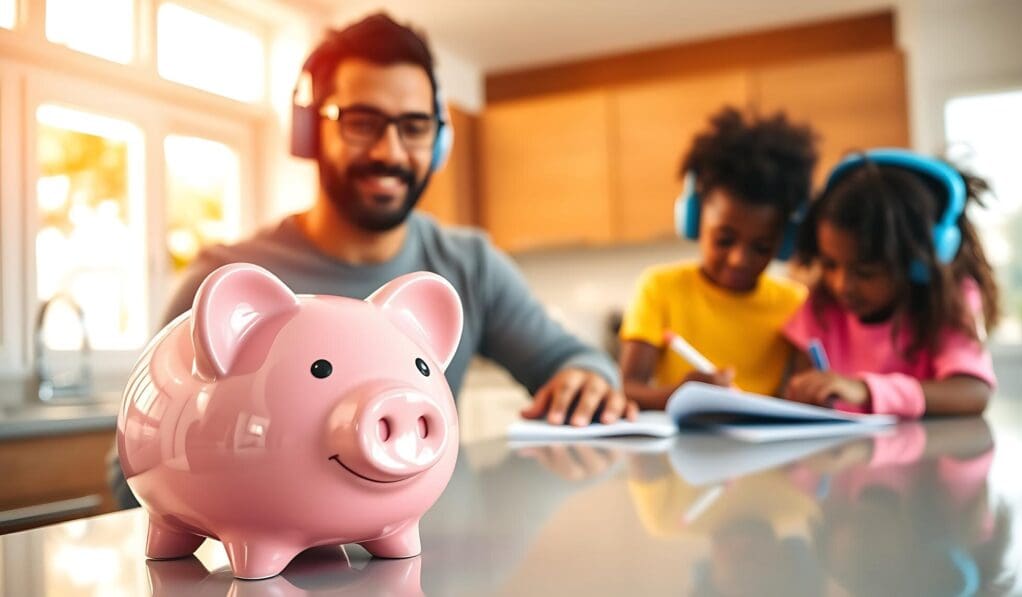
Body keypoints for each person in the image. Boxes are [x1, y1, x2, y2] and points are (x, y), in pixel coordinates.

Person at [109, 13, 635, 508]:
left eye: (414, 126)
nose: (390, 151)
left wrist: (585, 378)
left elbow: (573, 360)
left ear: (440, 140)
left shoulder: (468, 265)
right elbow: (134, 469)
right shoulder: (224, 282)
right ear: (311, 131)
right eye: (363, 122)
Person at [618, 107, 818, 408]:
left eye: (761, 247)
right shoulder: (659, 288)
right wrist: (678, 395)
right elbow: (627, 389)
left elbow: (807, 397)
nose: (739, 260)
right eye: (724, 240)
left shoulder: (795, 303)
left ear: (784, 241)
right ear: (695, 217)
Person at [783, 149, 999, 417]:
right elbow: (802, 389)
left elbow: (973, 392)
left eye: (865, 272)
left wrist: (866, 390)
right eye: (829, 265)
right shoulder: (821, 306)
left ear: (915, 264)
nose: (842, 286)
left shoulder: (947, 303)